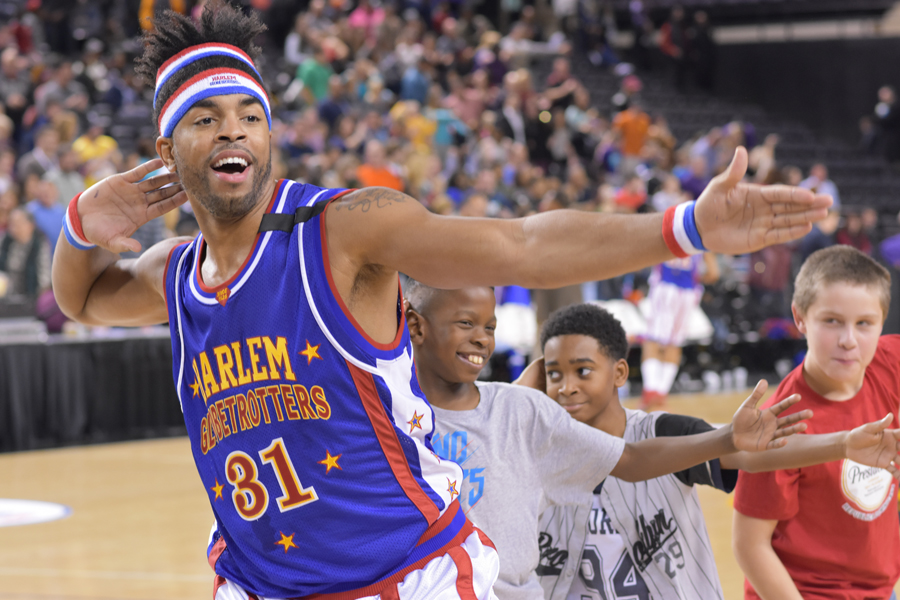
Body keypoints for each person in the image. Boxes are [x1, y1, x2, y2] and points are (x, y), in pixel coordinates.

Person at [51, 3, 831, 598]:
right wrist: (83, 222)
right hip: (257, 583)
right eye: (206, 118)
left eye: (252, 116)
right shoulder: (176, 273)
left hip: (404, 574)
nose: (236, 133)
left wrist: (684, 226)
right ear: (166, 152)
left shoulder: (340, 230)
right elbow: (81, 298)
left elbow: (520, 245)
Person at [406, 285, 900, 600]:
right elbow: (490, 427)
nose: (567, 386)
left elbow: (743, 451)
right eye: (555, 375)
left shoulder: (657, 434)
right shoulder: (533, 439)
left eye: (582, 372)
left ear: (620, 372)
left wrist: (840, 445)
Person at [733, 246, 900, 599]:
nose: (848, 340)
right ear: (800, 318)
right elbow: (750, 547)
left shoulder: (890, 364)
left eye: (864, 323)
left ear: (882, 322)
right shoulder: (783, 423)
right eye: (832, 321)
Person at [640, 249, 719, 408]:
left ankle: (650, 390)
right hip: (688, 293)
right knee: (674, 342)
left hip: (665, 287)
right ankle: (662, 392)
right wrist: (698, 277)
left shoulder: (668, 227)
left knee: (653, 339)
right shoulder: (702, 238)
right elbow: (713, 273)